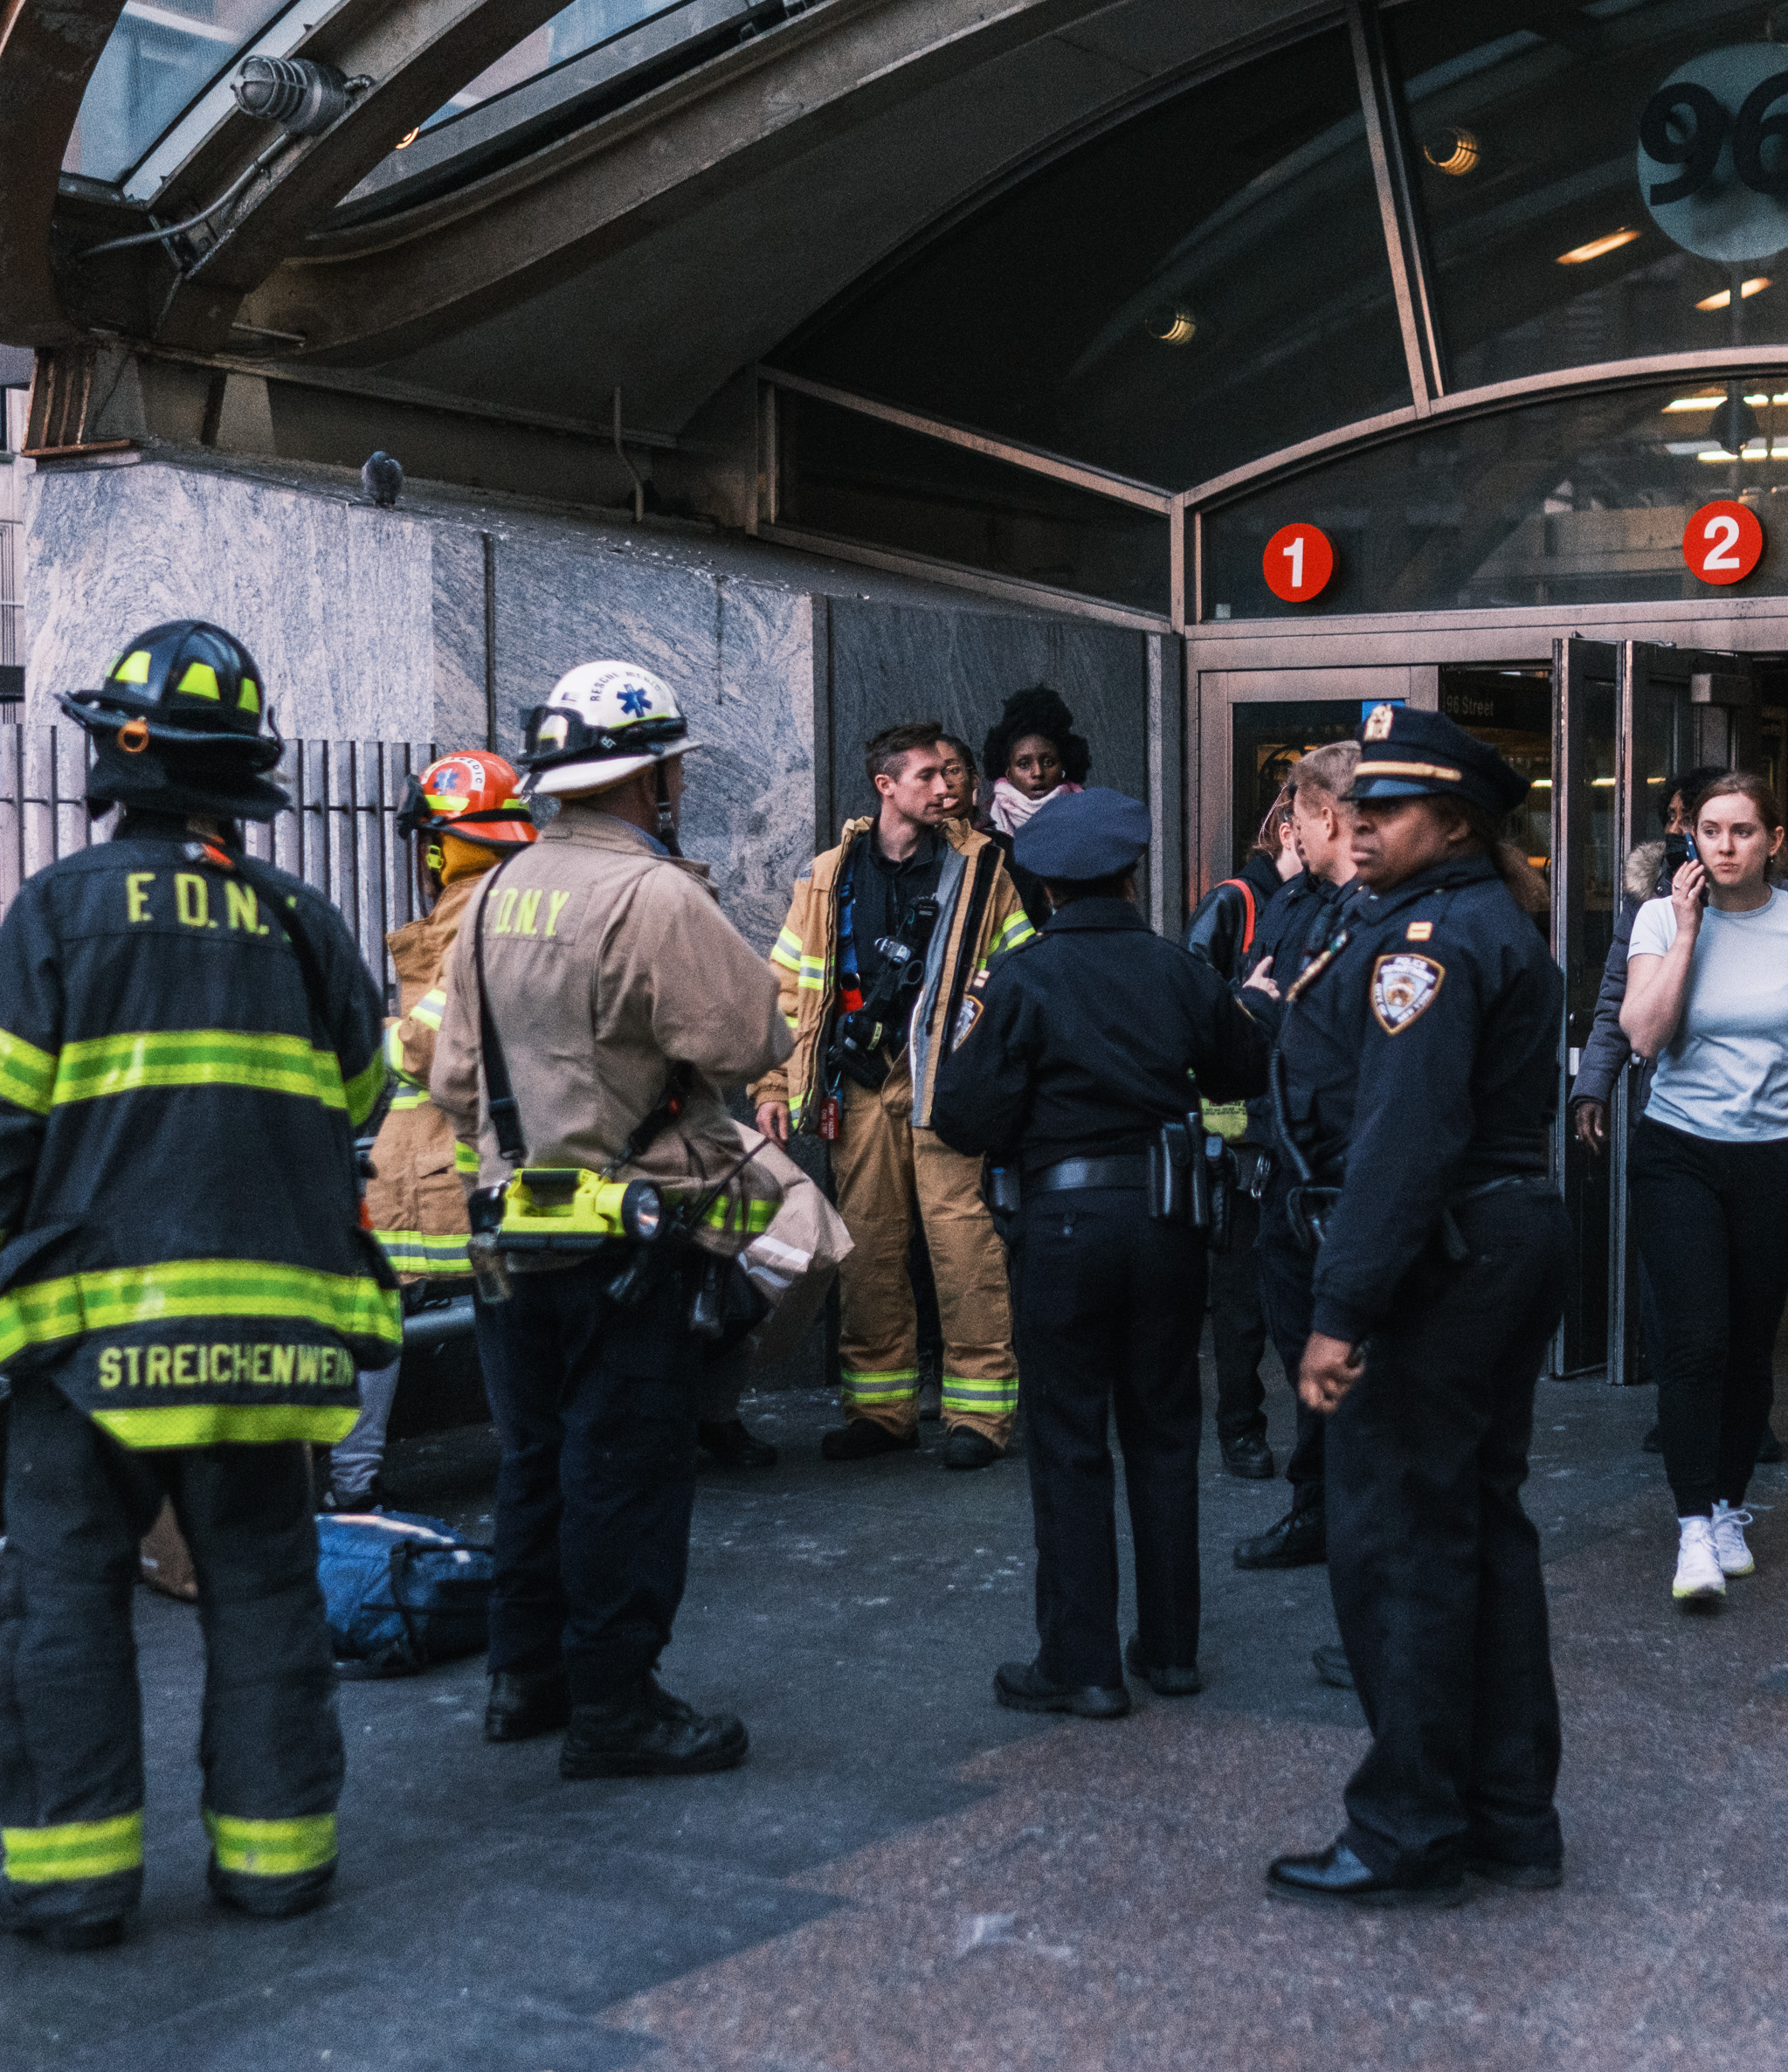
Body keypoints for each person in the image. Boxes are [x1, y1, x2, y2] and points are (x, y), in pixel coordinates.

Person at [0, 620, 397, 1950]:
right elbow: (364, 1094)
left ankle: (71, 1879)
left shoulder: (59, 908)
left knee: (62, 1597)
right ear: (241, 777)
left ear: (114, 766)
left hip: (93, 1346)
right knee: (267, 1595)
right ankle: (279, 1860)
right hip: (272, 1345)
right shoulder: (304, 923)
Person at [427, 660, 795, 1778]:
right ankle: (614, 1707)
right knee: (621, 1474)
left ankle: (521, 1679)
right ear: (653, 777)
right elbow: (752, 1041)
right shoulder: (654, 897)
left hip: (505, 1240)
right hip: (628, 1248)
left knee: (531, 1460)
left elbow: (450, 1078)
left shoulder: (492, 892)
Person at [1267, 706, 1569, 1908]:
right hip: (1492, 1241)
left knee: (1401, 1540)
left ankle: (1408, 1827)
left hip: (1440, 1259)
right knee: (1479, 1529)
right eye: (1358, 804)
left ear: (1452, 820)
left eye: (1387, 807)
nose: (1362, 823)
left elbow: (1403, 1140)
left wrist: (1340, 1307)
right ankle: (1505, 1812)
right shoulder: (1445, 920)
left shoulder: (1429, 943)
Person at [933, 788, 1265, 1718]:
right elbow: (1242, 1070)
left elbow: (962, 1114)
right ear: (1128, 873)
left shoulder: (1023, 978)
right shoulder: (1174, 969)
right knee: (1163, 1434)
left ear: (1041, 884)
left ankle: (1080, 1665)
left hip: (1064, 1231)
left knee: (1071, 1442)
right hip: (1165, 1224)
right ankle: (1169, 1651)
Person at [753, 722, 1031, 1467]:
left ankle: (979, 1414)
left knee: (961, 1243)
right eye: (930, 776)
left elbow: (1020, 976)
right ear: (886, 786)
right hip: (860, 1086)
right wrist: (776, 1083)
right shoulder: (825, 878)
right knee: (868, 1248)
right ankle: (881, 1409)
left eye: (951, 775)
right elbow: (787, 990)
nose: (949, 787)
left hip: (944, 1083)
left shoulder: (982, 870)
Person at [1616, 769, 1788, 1599]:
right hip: (1680, 1151)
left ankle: (1728, 1504)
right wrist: (1686, 930)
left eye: (1743, 831)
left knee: (1751, 1342)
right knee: (1695, 1342)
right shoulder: (1658, 915)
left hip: (1776, 1157)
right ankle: (1691, 1528)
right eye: (1711, 830)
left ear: (1775, 841)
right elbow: (1644, 1036)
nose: (1724, 845)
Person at [341, 748, 535, 1512]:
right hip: (474, 1164)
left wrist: (361, 1038)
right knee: (500, 1306)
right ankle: (530, 1458)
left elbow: (424, 1045)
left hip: (439, 1169)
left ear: (442, 844)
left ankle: (351, 1482)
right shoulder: (516, 900)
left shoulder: (477, 915)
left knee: (380, 1307)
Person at [1572, 818, 1787, 1468]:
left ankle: (1745, 1415)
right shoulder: (1653, 909)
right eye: (1692, 825)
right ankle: (1683, 1407)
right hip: (1669, 1119)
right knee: (1672, 1279)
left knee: (1747, 1285)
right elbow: (1619, 1003)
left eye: (1732, 828)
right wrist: (1593, 1084)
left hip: (1760, 1126)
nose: (1709, 842)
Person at [1232, 742, 1364, 1571]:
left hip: (1344, 1167)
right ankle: (1318, 1507)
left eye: (1296, 811)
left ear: (1322, 814)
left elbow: (1320, 1026)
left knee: (1349, 1361)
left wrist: (1267, 1010)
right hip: (1284, 1161)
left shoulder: (1379, 910)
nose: (1288, 827)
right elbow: (1255, 993)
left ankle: (1353, 1527)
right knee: (1295, 1342)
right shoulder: (1294, 898)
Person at [1181, 794, 1297, 1481]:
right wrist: (1241, 1001)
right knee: (1239, 1293)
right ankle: (1239, 1426)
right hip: (1237, 1122)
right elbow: (1191, 1006)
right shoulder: (1236, 900)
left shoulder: (1319, 899)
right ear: (1289, 828)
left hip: (1292, 1119)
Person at [983, 687, 1088, 840]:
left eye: (1048, 762)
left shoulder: (1091, 815)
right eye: (1024, 765)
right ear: (1009, 774)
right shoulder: (985, 830)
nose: (1038, 773)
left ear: (1063, 766)